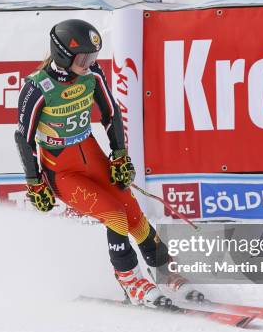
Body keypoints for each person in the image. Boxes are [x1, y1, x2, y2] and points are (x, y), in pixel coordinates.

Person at [14, 19, 203, 308]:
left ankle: (164, 271)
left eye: (93, 57)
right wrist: (34, 183)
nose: (90, 63)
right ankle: (130, 281)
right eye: (83, 58)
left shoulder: (92, 74)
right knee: (114, 215)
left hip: (93, 158)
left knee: (133, 213)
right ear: (63, 54)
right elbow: (22, 137)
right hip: (62, 171)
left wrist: (119, 155)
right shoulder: (38, 87)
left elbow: (110, 113)